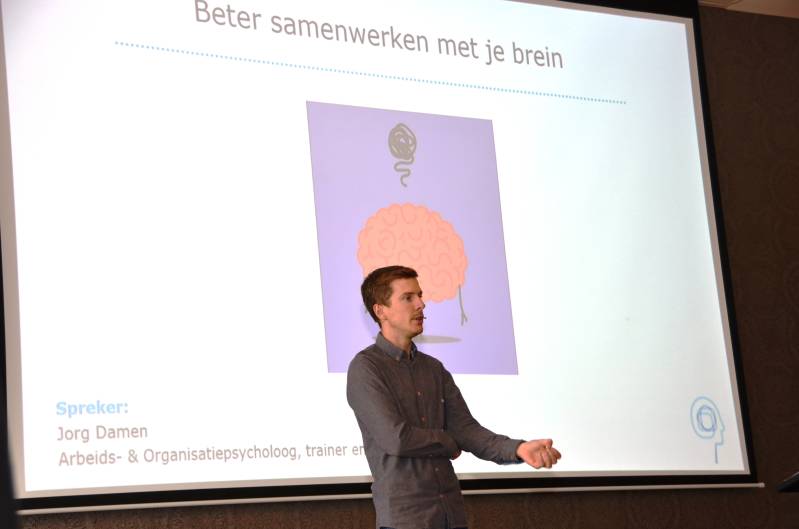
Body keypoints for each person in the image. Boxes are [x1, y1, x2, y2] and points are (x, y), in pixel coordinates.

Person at [347, 265, 561, 529]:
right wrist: (447, 441)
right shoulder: (366, 368)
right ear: (381, 311)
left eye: (419, 295)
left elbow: (466, 430)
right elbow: (396, 439)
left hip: (451, 515)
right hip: (406, 520)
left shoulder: (433, 369)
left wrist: (517, 449)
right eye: (408, 298)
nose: (421, 304)